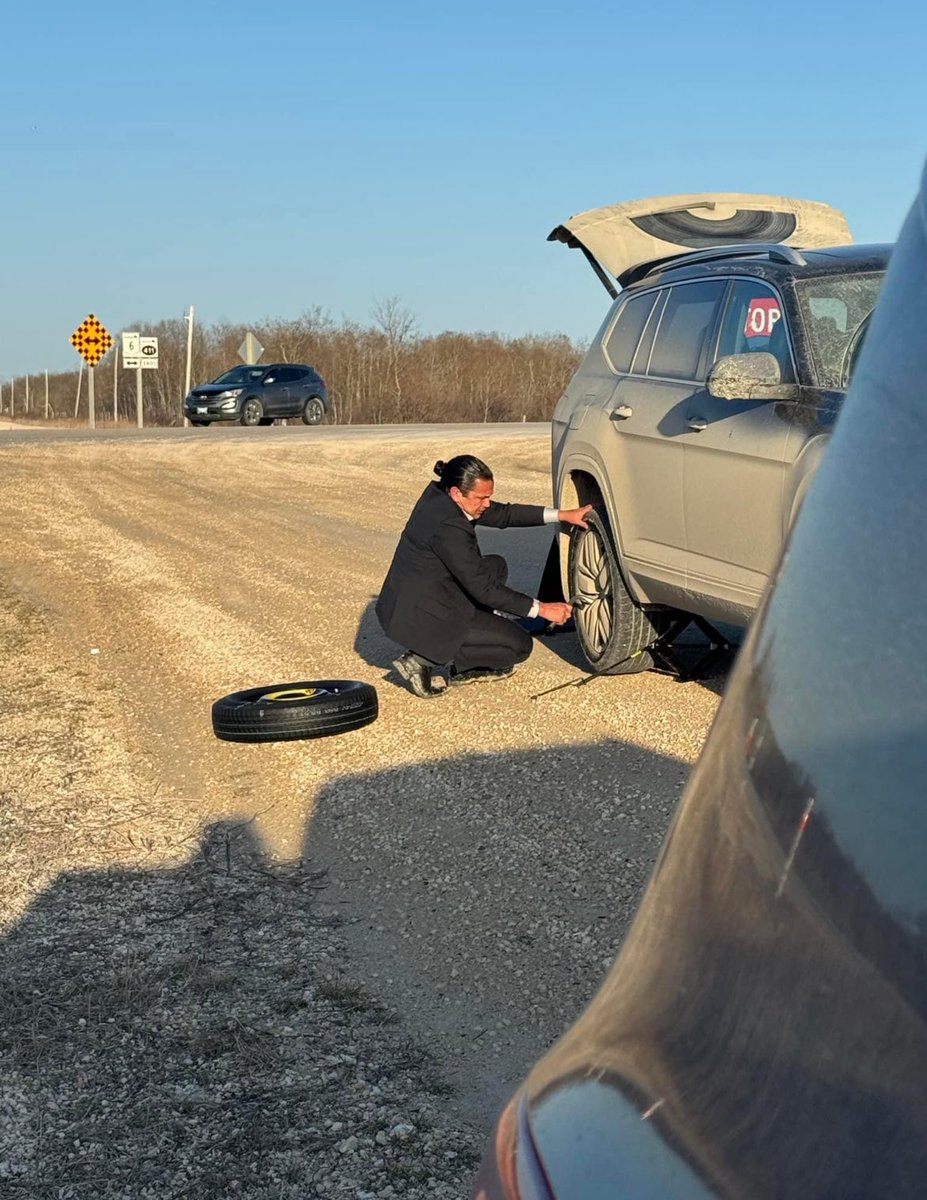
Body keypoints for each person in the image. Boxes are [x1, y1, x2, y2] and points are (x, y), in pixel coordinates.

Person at [377, 454, 591, 697]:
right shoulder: (450, 527)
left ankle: (472, 628)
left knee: (495, 566)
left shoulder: (441, 495)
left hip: (416, 596)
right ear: (457, 493)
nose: (487, 503)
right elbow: (483, 590)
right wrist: (542, 609)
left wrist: (563, 515)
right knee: (518, 646)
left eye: (489, 496)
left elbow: (505, 514)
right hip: (425, 616)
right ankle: (421, 659)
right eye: (482, 498)